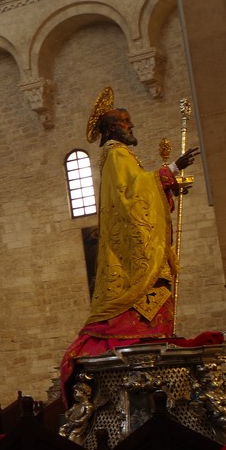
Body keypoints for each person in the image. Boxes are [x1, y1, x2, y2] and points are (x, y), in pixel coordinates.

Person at [59, 87, 198, 392]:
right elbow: (132, 194)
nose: (131, 125)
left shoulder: (119, 155)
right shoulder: (116, 154)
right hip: (132, 247)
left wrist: (168, 187)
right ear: (111, 128)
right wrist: (172, 169)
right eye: (125, 121)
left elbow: (137, 192)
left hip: (132, 233)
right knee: (143, 288)